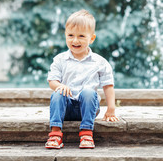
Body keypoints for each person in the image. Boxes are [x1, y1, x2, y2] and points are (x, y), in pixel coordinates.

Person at [45, 9, 119, 149]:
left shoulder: (100, 62)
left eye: (81, 36)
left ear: (91, 38)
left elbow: (108, 86)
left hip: (88, 107)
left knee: (89, 92)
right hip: (65, 108)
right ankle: (55, 134)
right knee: (57, 93)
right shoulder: (60, 60)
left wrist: (111, 108)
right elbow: (52, 81)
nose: (75, 40)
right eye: (71, 35)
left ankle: (86, 133)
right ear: (65, 36)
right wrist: (59, 86)